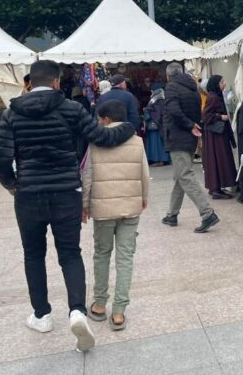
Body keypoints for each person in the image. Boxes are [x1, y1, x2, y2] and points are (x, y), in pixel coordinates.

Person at [0, 59, 136, 353]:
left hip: (29, 195)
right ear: (56, 81)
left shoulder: (11, 113)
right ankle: (77, 312)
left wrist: (13, 185)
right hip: (66, 192)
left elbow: (0, 159)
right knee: (70, 253)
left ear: (30, 82)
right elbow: (102, 137)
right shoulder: (71, 109)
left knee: (33, 254)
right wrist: (129, 127)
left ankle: (42, 315)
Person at [81, 100, 149, 331]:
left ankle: (100, 304)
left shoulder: (95, 142)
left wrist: (85, 205)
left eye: (99, 119)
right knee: (126, 257)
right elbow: (144, 173)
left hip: (103, 210)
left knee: (102, 254)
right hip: (130, 206)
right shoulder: (137, 142)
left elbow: (87, 175)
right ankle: (119, 311)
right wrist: (143, 197)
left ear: (106, 119)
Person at [160, 63, 219, 233]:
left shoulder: (171, 87)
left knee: (184, 175)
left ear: (168, 76)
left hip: (178, 136)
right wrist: (192, 125)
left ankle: (207, 213)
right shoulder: (192, 87)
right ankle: (172, 214)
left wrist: (189, 124)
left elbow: (173, 111)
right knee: (181, 176)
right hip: (190, 137)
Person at [202, 75, 238, 200]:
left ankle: (215, 187)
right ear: (216, 84)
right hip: (216, 135)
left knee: (215, 160)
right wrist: (220, 117)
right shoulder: (213, 97)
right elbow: (205, 116)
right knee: (218, 159)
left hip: (215, 134)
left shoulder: (215, 95)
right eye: (222, 82)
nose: (224, 84)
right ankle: (216, 189)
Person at [144, 83, 170, 165]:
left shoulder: (155, 100)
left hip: (155, 125)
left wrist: (147, 112)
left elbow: (157, 113)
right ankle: (164, 159)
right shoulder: (162, 98)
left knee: (156, 144)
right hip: (161, 124)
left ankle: (159, 159)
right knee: (161, 142)